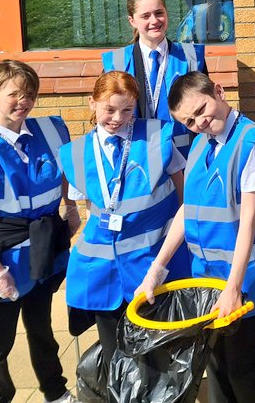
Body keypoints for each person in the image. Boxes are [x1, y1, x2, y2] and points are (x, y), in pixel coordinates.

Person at [136, 71, 255, 403]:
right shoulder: (200, 145)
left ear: (219, 91)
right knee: (215, 365)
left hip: (240, 279)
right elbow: (187, 210)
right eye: (189, 120)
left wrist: (233, 288)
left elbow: (248, 223)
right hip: (206, 278)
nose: (198, 122)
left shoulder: (250, 141)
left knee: (242, 369)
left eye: (201, 109)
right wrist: (156, 269)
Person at [0, 60, 77, 403]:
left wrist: (70, 207)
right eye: (14, 94)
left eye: (29, 94)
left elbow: (65, 169)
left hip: (45, 238)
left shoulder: (53, 129)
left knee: (41, 327)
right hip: (5, 246)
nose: (23, 101)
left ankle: (55, 392)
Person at [59, 71, 190, 381]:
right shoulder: (74, 153)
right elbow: (89, 208)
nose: (118, 118)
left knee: (156, 355)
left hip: (150, 266)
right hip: (102, 273)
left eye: (127, 110)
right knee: (115, 356)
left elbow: (185, 198)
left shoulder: (159, 138)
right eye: (109, 109)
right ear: (92, 104)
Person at [102, 0, 208, 157]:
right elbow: (105, 114)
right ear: (132, 21)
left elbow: (206, 108)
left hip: (185, 155)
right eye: (145, 16)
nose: (154, 21)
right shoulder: (115, 62)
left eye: (159, 13)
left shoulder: (192, 57)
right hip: (135, 158)